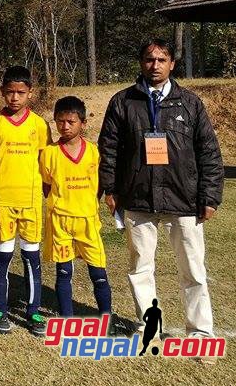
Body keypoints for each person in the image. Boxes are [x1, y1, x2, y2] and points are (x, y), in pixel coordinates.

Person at [98, 38, 224, 339]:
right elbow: (109, 150)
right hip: (138, 198)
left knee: (193, 269)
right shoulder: (122, 102)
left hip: (184, 199)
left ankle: (200, 332)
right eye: (149, 59)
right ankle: (149, 327)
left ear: (172, 64)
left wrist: (210, 196)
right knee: (140, 268)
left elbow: (209, 152)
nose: (155, 65)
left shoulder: (190, 103)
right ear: (141, 63)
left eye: (162, 60)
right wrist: (110, 190)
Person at [0, 66, 53, 336]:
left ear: (30, 93)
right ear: (2, 92)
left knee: (31, 257)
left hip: (31, 201)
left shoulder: (39, 125)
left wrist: (45, 191)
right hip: (4, 201)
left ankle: (33, 311)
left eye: (20, 92)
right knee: (3, 256)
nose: (15, 97)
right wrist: (0, 181)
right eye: (10, 92)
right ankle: (0, 310)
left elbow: (45, 162)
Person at [40, 96, 112, 320]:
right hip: (60, 221)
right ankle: (67, 319)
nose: (65, 126)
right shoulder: (49, 153)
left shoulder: (93, 152)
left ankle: (106, 318)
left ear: (83, 123)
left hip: (87, 220)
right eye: (60, 121)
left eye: (71, 122)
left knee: (98, 273)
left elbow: (98, 185)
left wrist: (87, 202)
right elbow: (46, 185)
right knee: (64, 272)